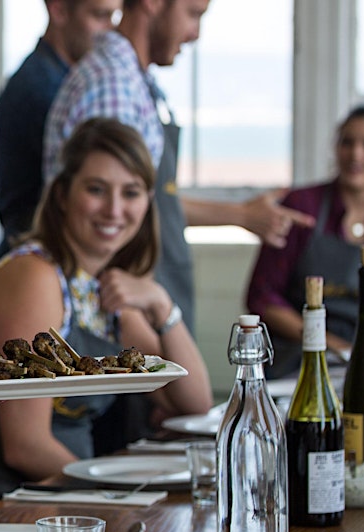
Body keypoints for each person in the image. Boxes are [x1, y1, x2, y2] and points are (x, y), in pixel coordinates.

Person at [0, 118, 212, 511]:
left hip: (63, 500)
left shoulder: (102, 285)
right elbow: (24, 446)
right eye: (96, 189)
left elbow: (192, 402)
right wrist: (116, 500)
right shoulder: (35, 275)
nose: (114, 209)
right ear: (63, 194)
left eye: (131, 192)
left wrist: (161, 305)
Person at [42, 0, 314, 337]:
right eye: (193, 13)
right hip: (119, 316)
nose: (195, 33)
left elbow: (154, 201)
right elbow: (109, 223)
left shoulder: (134, 83)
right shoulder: (114, 88)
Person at [247, 105, 364, 378]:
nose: (356, 154)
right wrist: (331, 346)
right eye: (347, 142)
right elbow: (262, 296)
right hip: (300, 361)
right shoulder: (302, 207)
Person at [0, 0, 120, 261]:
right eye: (99, 16)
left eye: (113, 17)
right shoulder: (41, 90)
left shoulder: (67, 81)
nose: (110, 31)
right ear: (59, 9)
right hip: (37, 257)